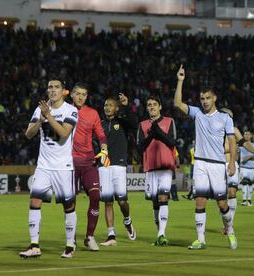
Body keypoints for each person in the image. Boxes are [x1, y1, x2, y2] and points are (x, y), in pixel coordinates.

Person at [174, 65, 238, 250]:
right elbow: (178, 104)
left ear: (214, 98)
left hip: (218, 165)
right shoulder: (197, 113)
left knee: (222, 204)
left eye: (208, 98)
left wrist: (232, 162)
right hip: (200, 163)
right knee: (200, 200)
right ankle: (201, 239)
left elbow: (232, 142)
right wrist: (180, 81)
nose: (204, 101)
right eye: (202, 98)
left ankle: (230, 229)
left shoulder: (225, 118)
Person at [20, 78, 78, 258]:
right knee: (34, 202)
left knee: (68, 206)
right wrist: (41, 120)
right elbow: (28, 134)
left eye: (56, 87)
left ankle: (69, 245)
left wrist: (49, 116)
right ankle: (34, 245)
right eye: (50, 87)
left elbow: (63, 134)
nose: (52, 90)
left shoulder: (71, 110)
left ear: (63, 91)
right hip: (44, 166)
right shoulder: (40, 109)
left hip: (63, 167)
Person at [71, 82, 108, 251]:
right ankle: (70, 238)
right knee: (69, 202)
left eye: (83, 94)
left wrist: (104, 148)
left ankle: (89, 236)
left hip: (88, 162)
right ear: (72, 94)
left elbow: (101, 134)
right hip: (69, 163)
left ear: (86, 97)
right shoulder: (63, 110)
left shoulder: (92, 113)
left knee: (95, 197)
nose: (80, 97)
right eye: (77, 93)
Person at [137, 96, 177, 246]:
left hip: (166, 166)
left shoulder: (169, 121)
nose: (152, 107)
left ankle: (162, 233)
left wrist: (158, 132)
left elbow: (172, 142)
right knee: (154, 201)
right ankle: (159, 234)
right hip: (150, 167)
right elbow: (140, 147)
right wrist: (152, 135)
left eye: (154, 104)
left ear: (160, 107)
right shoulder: (142, 125)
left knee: (163, 198)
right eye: (149, 105)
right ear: (147, 108)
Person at [99, 93, 137, 246]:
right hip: (103, 165)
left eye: (110, 105)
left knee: (122, 201)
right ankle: (111, 235)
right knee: (108, 202)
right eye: (105, 105)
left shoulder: (122, 122)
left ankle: (127, 221)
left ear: (116, 108)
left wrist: (126, 107)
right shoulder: (100, 124)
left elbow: (135, 123)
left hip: (119, 165)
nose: (107, 107)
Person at [220, 107, 254, 232]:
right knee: (221, 198)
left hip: (232, 164)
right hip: (218, 166)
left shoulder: (234, 130)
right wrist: (230, 148)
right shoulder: (214, 130)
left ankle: (229, 225)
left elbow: (245, 143)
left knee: (232, 193)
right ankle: (226, 224)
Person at [239, 130, 254, 206]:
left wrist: (248, 157)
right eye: (245, 134)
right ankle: (244, 200)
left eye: (248, 134)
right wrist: (252, 156)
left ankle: (249, 200)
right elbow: (242, 158)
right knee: (244, 183)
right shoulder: (241, 146)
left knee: (250, 184)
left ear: (251, 136)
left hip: (252, 167)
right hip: (243, 167)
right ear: (243, 136)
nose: (247, 135)